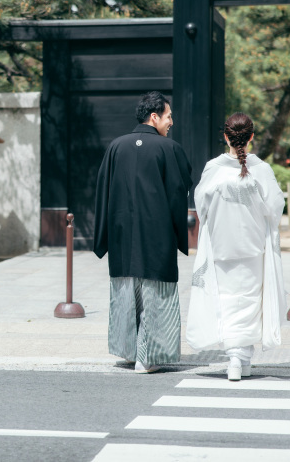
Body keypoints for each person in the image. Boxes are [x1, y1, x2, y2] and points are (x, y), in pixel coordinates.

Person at [93, 91, 193, 373]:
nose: (171, 121)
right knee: (155, 292)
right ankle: (148, 357)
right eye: (168, 116)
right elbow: (180, 189)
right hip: (156, 232)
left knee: (125, 291)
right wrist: (179, 230)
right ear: (155, 117)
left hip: (122, 232)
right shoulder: (168, 148)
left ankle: (127, 351)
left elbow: (102, 190)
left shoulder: (116, 146)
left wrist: (104, 234)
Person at [186, 112, 285, 381]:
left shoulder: (213, 168)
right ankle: (240, 359)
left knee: (227, 301)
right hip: (253, 247)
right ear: (252, 136)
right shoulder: (261, 169)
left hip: (222, 246)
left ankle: (237, 359)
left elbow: (201, 206)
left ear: (226, 137)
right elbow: (276, 207)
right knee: (250, 301)